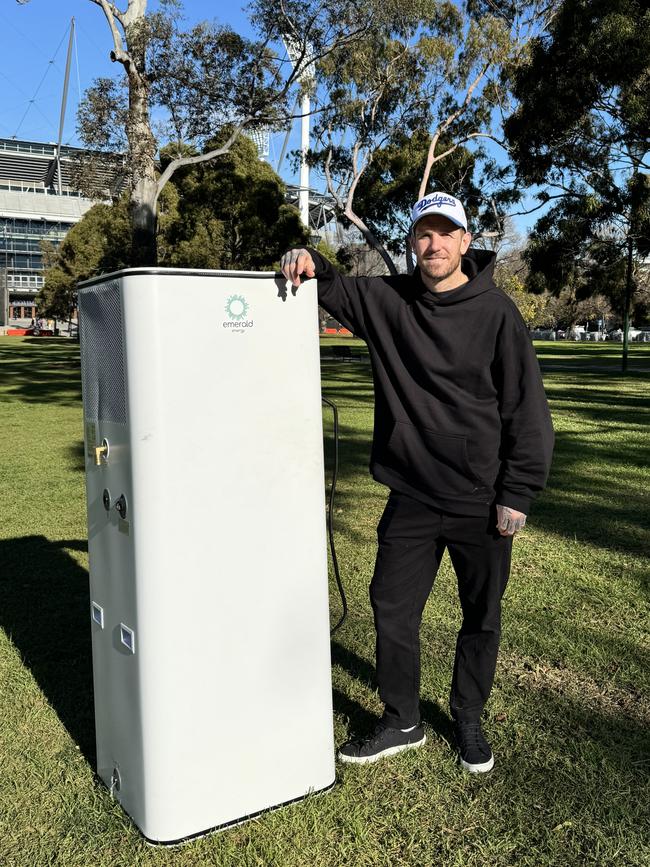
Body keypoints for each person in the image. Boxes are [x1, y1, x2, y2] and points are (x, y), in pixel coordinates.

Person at [280, 192, 554, 773]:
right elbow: (330, 284)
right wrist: (308, 256)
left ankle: (469, 718)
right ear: (413, 242)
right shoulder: (389, 300)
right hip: (412, 493)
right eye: (423, 234)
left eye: (445, 233)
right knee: (391, 608)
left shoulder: (497, 313)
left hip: (481, 500)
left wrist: (517, 493)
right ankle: (403, 719)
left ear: (464, 240)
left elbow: (526, 409)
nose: (434, 245)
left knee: (481, 614)